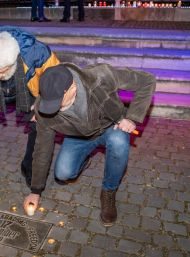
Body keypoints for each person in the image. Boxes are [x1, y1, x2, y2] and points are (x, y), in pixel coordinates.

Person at [23, 63, 155, 226]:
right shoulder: (43, 108)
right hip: (79, 135)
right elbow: (42, 148)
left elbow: (147, 81)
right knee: (63, 174)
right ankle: (83, 159)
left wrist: (132, 117)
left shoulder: (101, 77)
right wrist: (35, 191)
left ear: (72, 88)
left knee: (119, 142)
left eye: (58, 102)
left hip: (111, 126)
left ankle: (109, 191)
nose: (53, 110)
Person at [0, 26, 59, 186]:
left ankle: (29, 167)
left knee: (39, 125)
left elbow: (56, 81)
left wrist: (44, 106)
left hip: (25, 88)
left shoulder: (36, 53)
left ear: (14, 59)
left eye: (3, 70)